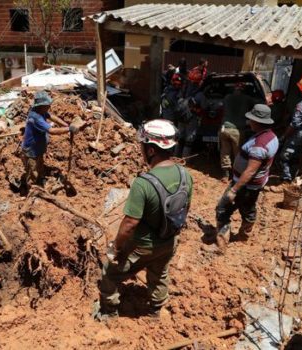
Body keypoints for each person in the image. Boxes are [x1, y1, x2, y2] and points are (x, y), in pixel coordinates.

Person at [94, 119, 193, 320]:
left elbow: (129, 224)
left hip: (143, 246)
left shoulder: (143, 184)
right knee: (160, 272)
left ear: (150, 150)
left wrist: (116, 248)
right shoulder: (186, 175)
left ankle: (109, 312)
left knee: (110, 272)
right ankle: (156, 309)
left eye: (142, 146)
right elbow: (185, 209)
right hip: (169, 241)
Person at [215, 105, 278, 249]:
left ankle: (222, 243)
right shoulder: (271, 136)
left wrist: (234, 190)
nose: (249, 122)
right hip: (253, 184)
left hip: (245, 185)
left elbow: (250, 171)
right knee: (248, 209)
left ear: (258, 122)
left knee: (222, 208)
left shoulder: (259, 145)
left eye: (251, 120)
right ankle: (244, 236)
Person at [21, 90, 80, 188]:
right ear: (41, 106)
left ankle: (40, 180)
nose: (49, 106)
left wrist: (66, 125)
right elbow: (51, 131)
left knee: (40, 165)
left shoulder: (41, 111)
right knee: (33, 171)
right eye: (47, 105)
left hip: (38, 147)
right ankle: (32, 190)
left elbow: (52, 117)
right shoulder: (35, 117)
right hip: (31, 150)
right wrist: (69, 129)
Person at [219, 83, 256, 181]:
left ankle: (225, 175)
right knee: (238, 154)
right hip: (237, 130)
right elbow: (257, 105)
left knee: (225, 152)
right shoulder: (248, 99)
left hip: (224, 128)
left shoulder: (227, 97)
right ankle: (236, 175)